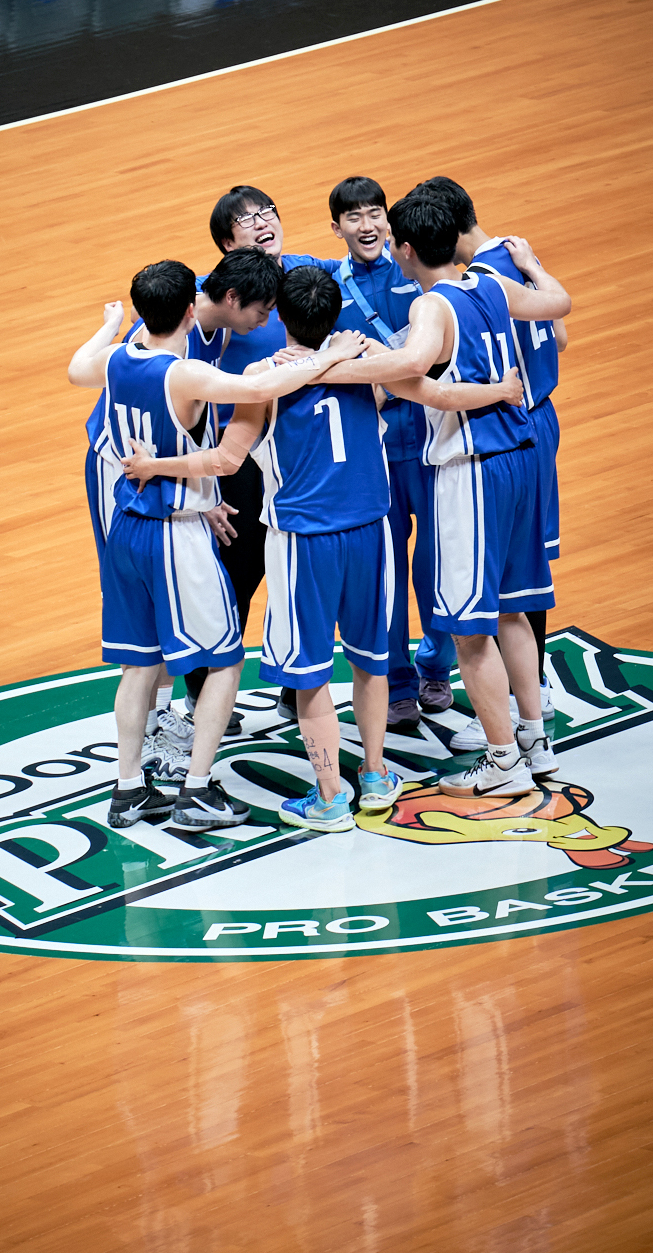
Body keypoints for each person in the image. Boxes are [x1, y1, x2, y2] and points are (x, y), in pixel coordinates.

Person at [122, 265, 524, 831]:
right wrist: (499, 390)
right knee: (371, 663)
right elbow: (428, 386)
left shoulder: (265, 379)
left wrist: (154, 466)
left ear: (280, 317)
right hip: (372, 533)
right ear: (335, 316)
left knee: (309, 674)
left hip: (303, 541)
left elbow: (226, 461)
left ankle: (331, 796)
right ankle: (376, 776)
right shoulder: (370, 366)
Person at [68, 259, 365, 832]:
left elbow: (78, 368)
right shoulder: (182, 374)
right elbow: (258, 388)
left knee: (139, 665)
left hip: (125, 524)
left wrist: (108, 325)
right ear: (189, 310)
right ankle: (197, 791)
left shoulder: (118, 358)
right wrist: (329, 355)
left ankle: (128, 791)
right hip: (172, 532)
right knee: (225, 660)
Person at [384, 188, 572, 797]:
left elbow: (412, 371)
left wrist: (342, 363)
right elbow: (558, 303)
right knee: (512, 609)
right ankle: (534, 741)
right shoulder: (492, 283)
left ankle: (502, 761)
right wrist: (534, 262)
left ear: (406, 250)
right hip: (520, 460)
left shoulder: (430, 306)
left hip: (473, 471)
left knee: (469, 629)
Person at [80, 248, 283, 761]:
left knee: (152, 620)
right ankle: (154, 733)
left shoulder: (193, 333)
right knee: (147, 612)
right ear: (221, 300)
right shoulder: (166, 349)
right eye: (261, 310)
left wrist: (200, 495)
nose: (265, 322)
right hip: (122, 469)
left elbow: (81, 369)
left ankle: (149, 733)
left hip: (160, 473)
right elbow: (167, 429)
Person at [425, 175, 568, 749]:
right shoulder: (516, 257)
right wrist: (533, 267)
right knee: (524, 570)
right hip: (540, 417)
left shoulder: (474, 284)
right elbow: (560, 336)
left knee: (508, 580)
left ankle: (516, 705)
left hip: (507, 423)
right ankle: (530, 699)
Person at [205, 185, 341, 722]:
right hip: (241, 457)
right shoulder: (215, 299)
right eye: (247, 219)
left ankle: (297, 683)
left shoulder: (310, 272)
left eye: (267, 212)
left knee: (300, 568)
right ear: (226, 243)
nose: (263, 223)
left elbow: (368, 266)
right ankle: (202, 688)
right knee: (240, 572)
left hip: (304, 452)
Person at [326, 174, 457, 732]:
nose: (367, 225)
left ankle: (438, 665)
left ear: (389, 219)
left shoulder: (416, 272)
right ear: (336, 228)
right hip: (374, 454)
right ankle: (398, 682)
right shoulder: (330, 288)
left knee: (438, 562)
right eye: (353, 216)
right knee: (387, 574)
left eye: (375, 212)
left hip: (432, 441)